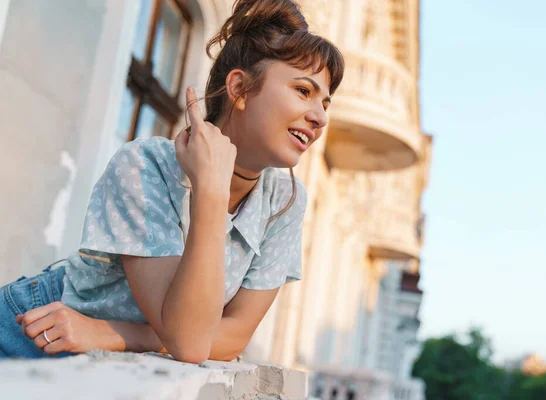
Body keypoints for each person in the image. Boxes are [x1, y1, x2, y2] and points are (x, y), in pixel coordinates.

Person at [0, 0, 344, 362]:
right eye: (304, 92)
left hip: (92, 343)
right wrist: (211, 190)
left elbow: (228, 338)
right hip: (29, 332)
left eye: (326, 103)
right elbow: (195, 340)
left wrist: (112, 334)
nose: (320, 117)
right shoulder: (145, 167)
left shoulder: (284, 200)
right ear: (240, 88)